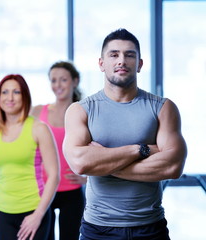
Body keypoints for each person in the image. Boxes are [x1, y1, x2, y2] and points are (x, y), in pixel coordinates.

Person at [63, 28, 187, 240]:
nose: (122, 60)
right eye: (114, 54)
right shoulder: (81, 110)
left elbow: (173, 166)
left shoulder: (163, 108)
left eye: (129, 55)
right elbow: (81, 164)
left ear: (139, 64)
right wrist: (140, 150)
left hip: (150, 226)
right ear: (101, 64)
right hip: (98, 229)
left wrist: (103, 163)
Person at [0, 74, 60, 240]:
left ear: (24, 96)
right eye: (4, 92)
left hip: (33, 211)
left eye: (16, 92)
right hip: (4, 212)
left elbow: (54, 175)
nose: (10, 97)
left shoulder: (39, 128)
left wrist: (38, 215)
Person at [30, 61, 86, 240]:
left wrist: (88, 178)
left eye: (63, 80)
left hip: (72, 190)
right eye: (53, 80)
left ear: (75, 81)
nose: (58, 85)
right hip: (44, 191)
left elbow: (98, 150)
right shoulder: (38, 112)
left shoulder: (84, 113)